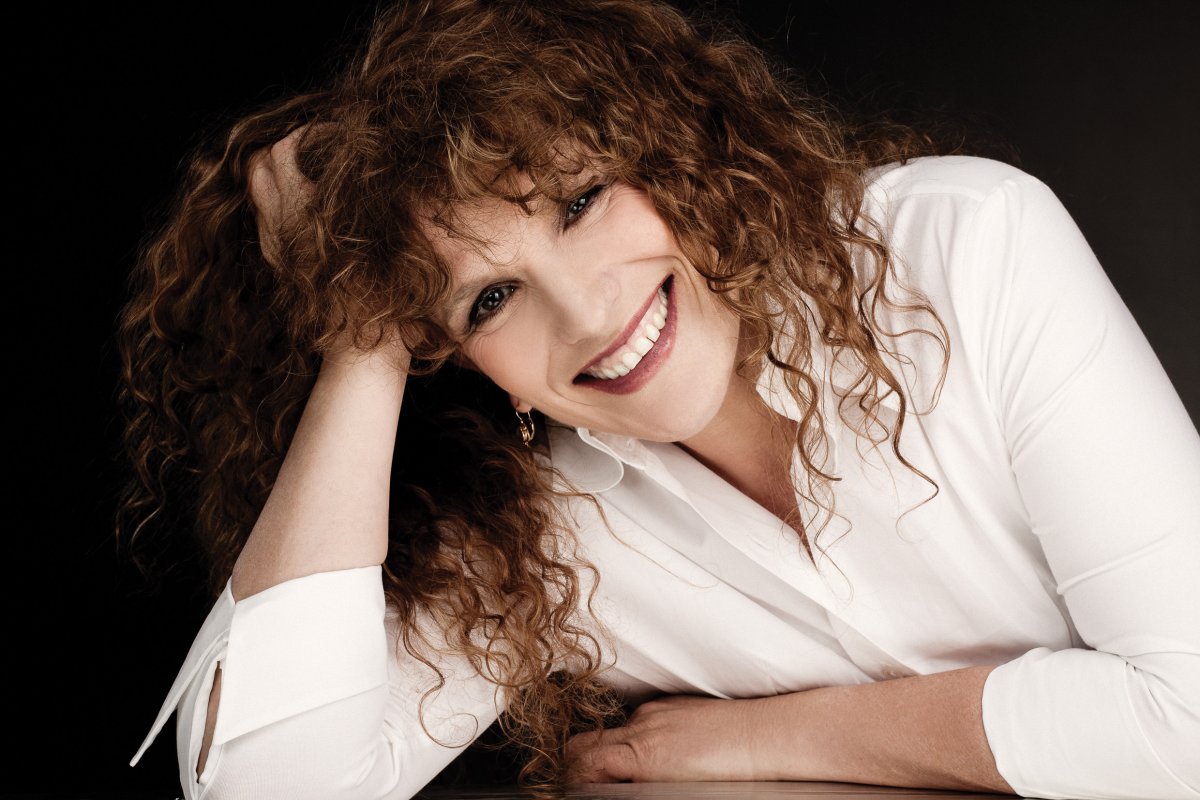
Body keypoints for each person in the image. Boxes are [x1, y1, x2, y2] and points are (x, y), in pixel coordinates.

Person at [118, 1, 1200, 798]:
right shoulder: (530, 523)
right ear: (450, 355)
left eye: (581, 200)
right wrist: (359, 337)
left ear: (664, 147)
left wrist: (760, 741)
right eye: (489, 298)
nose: (587, 312)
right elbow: (273, 787)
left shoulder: (963, 253)